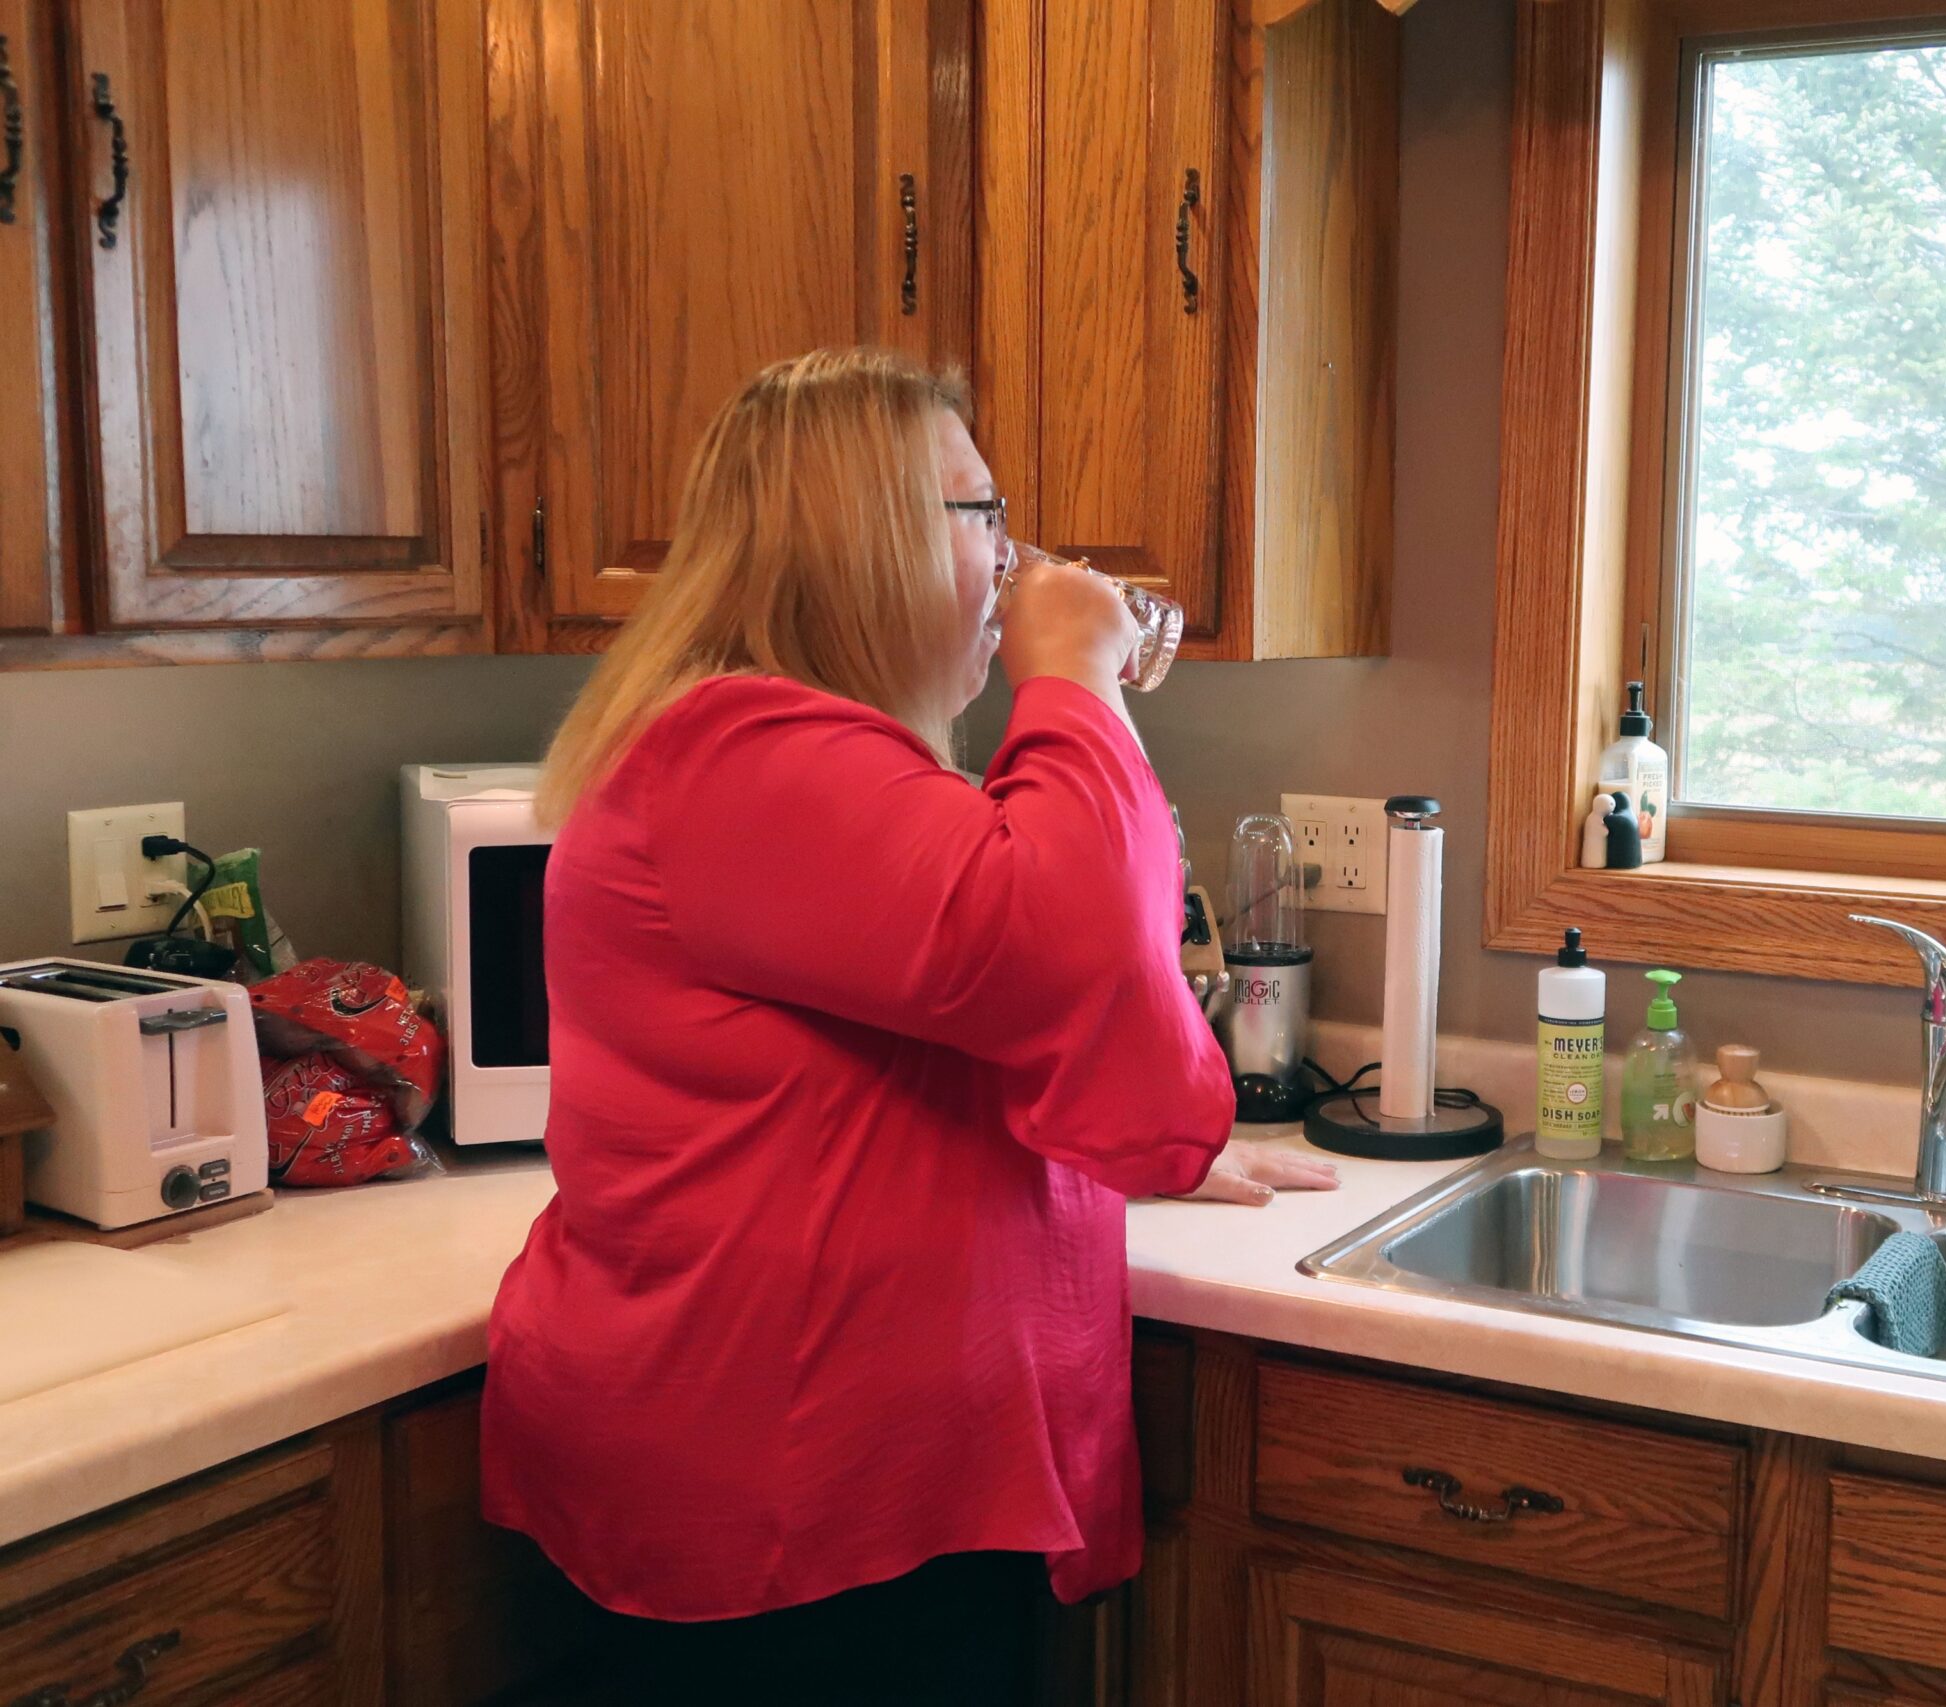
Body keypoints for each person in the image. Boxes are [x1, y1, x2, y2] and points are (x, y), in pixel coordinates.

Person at [481, 348, 1336, 1703]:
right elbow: (1064, 947)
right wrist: (1073, 681)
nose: (1013, 559)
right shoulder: (742, 754)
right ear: (862, 539)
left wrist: (1119, 1146)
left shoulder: (817, 759)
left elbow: (963, 1021)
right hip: (777, 1481)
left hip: (861, 1473)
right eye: (980, 513)